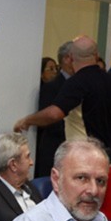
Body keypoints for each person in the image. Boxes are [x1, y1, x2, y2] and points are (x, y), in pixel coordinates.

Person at [15, 36, 111, 160]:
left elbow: (54, 114)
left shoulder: (76, 82)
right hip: (104, 154)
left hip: (81, 153)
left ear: (71, 57)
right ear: (97, 55)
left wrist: (27, 120)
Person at [35, 41, 75, 178]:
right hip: (55, 147)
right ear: (67, 59)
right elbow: (47, 118)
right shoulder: (51, 87)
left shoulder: (82, 84)